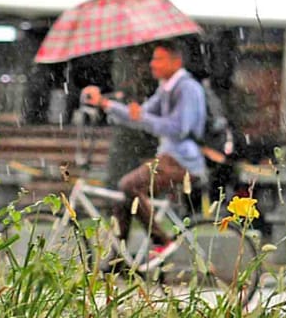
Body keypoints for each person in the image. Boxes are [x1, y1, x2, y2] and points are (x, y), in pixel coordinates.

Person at [81, 40, 207, 271]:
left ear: (176, 61)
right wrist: (105, 103)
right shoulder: (166, 89)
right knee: (123, 198)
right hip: (169, 158)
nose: (152, 64)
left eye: (158, 59)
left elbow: (180, 129)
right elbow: (138, 116)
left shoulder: (187, 88)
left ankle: (162, 241)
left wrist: (144, 118)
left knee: (129, 185)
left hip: (182, 161)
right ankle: (119, 258)